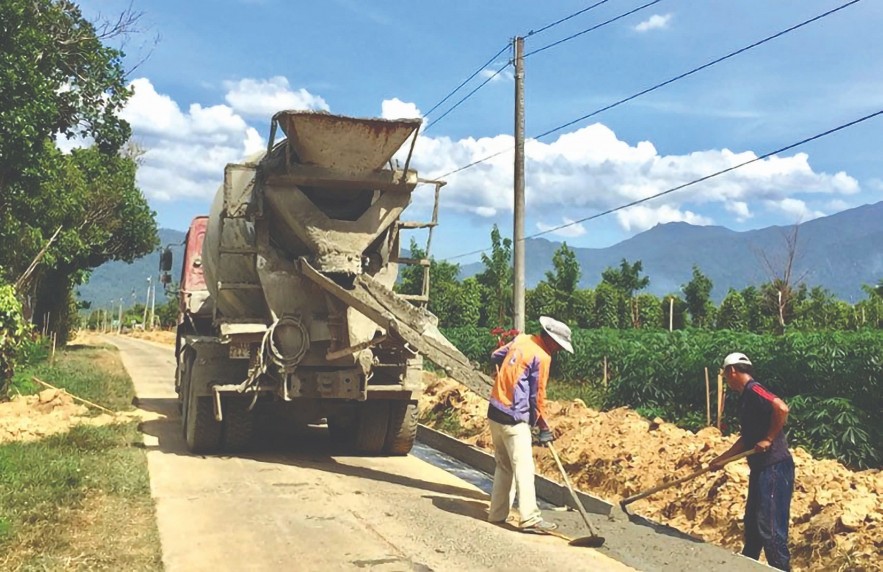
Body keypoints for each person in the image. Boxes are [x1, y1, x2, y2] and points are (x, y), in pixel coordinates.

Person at [486, 316, 574, 532]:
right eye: (559, 346)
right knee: (524, 468)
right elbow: (538, 397)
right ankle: (530, 518)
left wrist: (509, 374)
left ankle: (497, 514)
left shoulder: (521, 340)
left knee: (504, 466)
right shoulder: (542, 356)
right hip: (514, 419)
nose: (559, 350)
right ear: (551, 340)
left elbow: (495, 356)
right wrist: (544, 427)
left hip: (495, 411)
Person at [710, 352, 794, 571]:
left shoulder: (755, 389)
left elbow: (782, 408)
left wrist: (768, 438)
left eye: (726, 374)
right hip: (760, 469)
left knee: (770, 526)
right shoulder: (746, 398)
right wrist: (722, 460)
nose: (727, 379)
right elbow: (746, 439)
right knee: (754, 525)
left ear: (732, 371)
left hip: (775, 467)